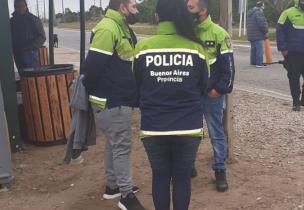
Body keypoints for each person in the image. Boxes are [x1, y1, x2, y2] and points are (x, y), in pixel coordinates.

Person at [133, 0, 209, 209]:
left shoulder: (142, 48)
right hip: (188, 126)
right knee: (182, 178)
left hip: (154, 126)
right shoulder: (197, 48)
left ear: (157, 17)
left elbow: (136, 87)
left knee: (160, 176)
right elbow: (205, 86)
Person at [81, 0, 145, 209]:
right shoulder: (108, 28)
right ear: (122, 7)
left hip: (118, 99)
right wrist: (104, 93)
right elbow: (91, 68)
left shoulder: (121, 26)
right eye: (134, 6)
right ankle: (126, 196)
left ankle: (113, 186)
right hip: (112, 101)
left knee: (113, 143)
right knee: (121, 146)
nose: (138, 10)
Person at [187, 0, 235, 192]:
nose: (186, 10)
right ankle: (189, 165)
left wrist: (219, 90)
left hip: (212, 96)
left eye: (190, 7)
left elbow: (229, 68)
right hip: (191, 95)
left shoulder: (219, 34)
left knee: (216, 134)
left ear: (203, 10)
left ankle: (220, 171)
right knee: (190, 133)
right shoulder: (187, 32)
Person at [10, 0, 46, 76]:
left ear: (26, 6)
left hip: (30, 54)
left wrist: (31, 48)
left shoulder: (33, 19)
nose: (20, 8)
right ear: (14, 7)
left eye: (22, 6)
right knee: (22, 77)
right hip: (17, 53)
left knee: (32, 77)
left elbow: (42, 37)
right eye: (17, 6)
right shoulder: (12, 21)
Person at [246, 1, 269, 68]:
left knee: (254, 49)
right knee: (259, 49)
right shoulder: (258, 13)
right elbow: (261, 24)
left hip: (251, 34)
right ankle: (259, 63)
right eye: (263, 5)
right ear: (261, 6)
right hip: (257, 34)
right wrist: (265, 31)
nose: (264, 7)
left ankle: (253, 62)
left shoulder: (251, 12)